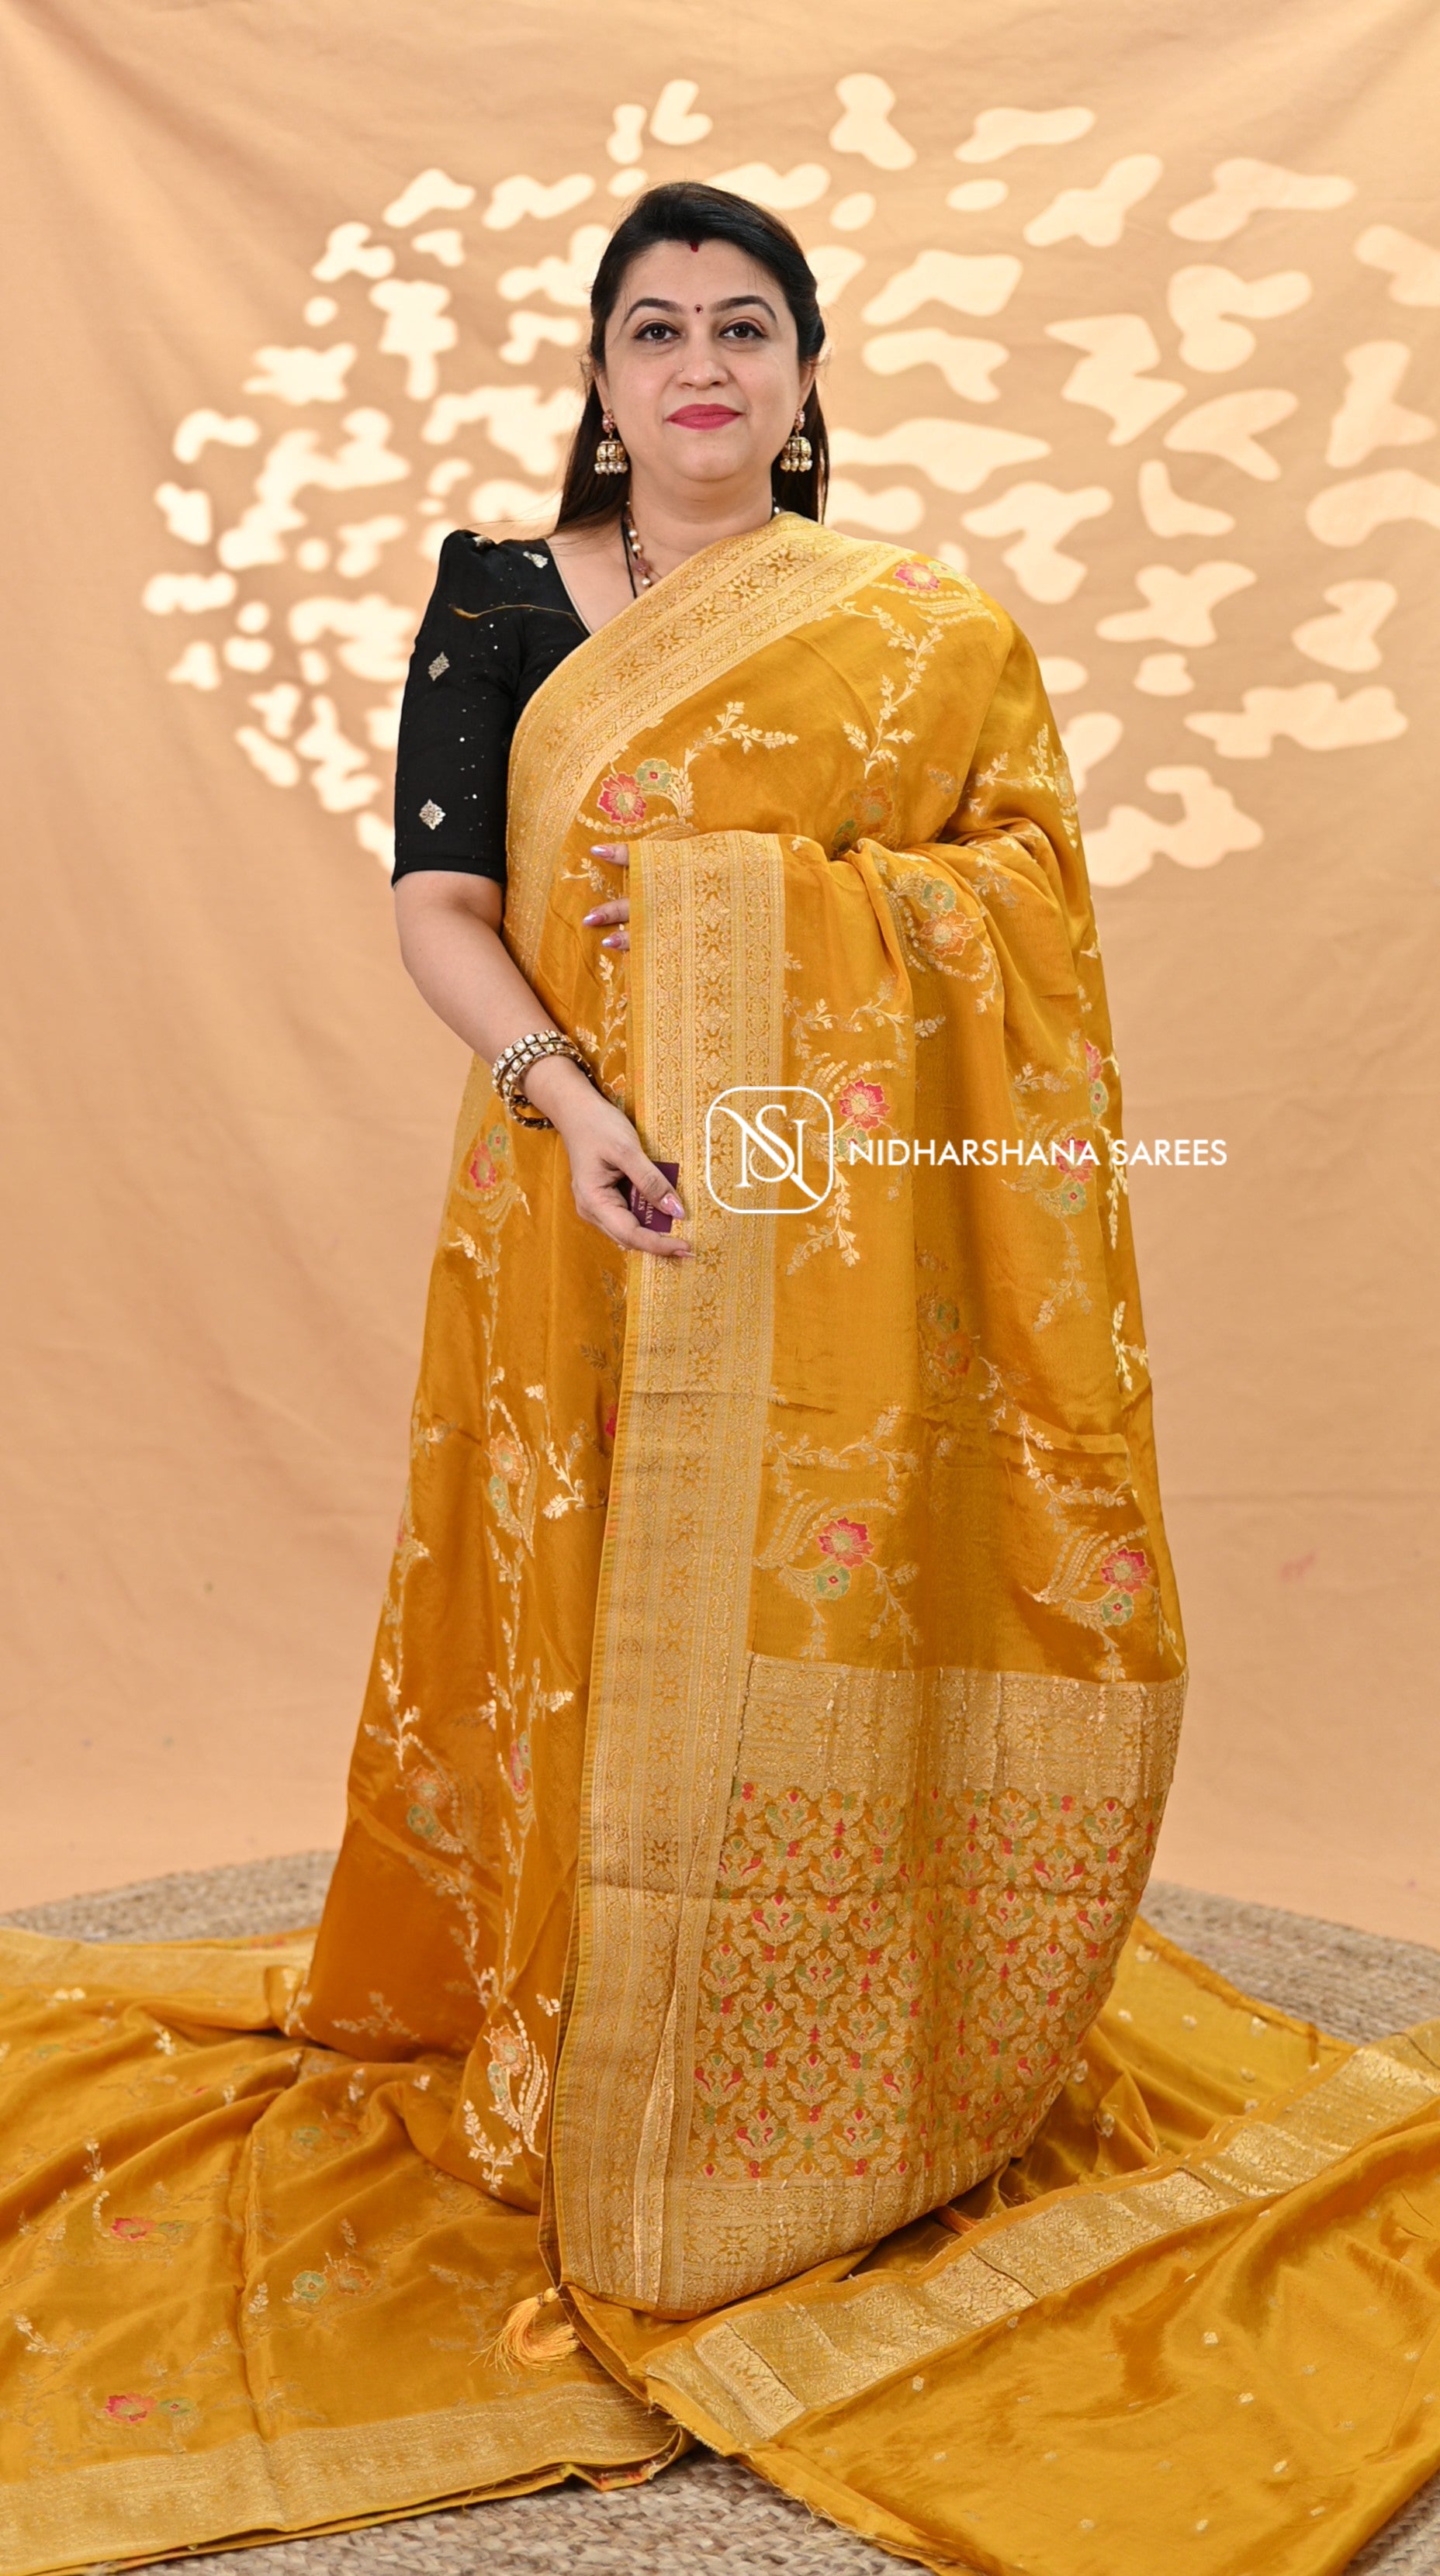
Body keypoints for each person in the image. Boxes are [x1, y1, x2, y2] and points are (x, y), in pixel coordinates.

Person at [3, 182, 1437, 2576]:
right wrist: (571, 1094)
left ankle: (811, 2042)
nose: (698, 363)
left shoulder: (916, 634)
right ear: (598, 376)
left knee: (805, 1596)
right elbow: (439, 904)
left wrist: (761, 925)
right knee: (579, 1612)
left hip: (834, 1230)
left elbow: (1028, 907)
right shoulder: (495, 592)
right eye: (654, 327)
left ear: (803, 374)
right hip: (572, 1198)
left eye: (743, 326)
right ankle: (585, 2026)